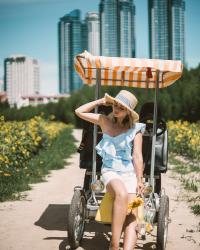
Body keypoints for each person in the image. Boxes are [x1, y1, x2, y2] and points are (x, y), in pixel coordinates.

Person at [75, 90, 145, 250]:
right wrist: (100, 101)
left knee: (132, 212)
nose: (116, 108)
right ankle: (114, 245)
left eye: (121, 106)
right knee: (121, 194)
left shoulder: (137, 129)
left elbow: (137, 156)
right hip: (110, 171)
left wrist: (140, 180)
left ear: (128, 111)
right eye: (115, 104)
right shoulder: (104, 120)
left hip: (129, 173)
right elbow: (79, 111)